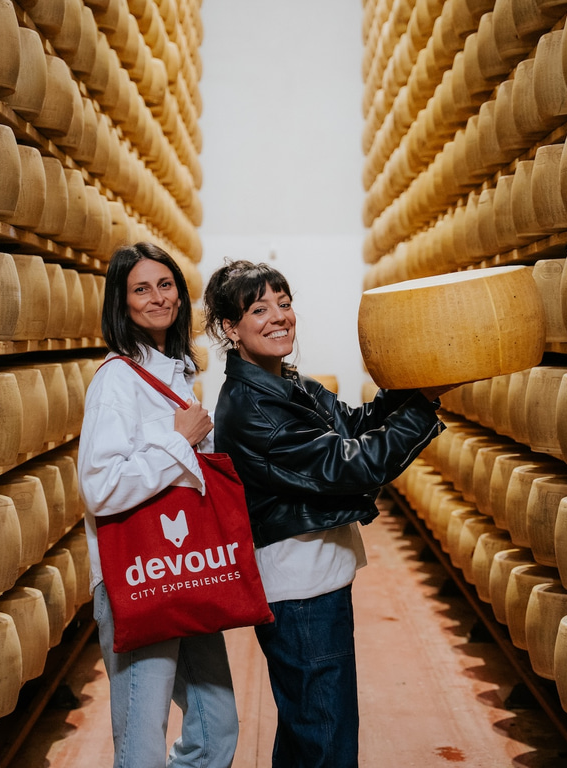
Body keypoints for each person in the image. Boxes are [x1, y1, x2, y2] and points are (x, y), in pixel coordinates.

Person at [203, 259, 447, 768]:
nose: (279, 317)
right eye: (259, 308)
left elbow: (353, 425)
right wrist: (423, 408)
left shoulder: (285, 383)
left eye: (284, 304)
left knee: (307, 732)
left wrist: (414, 382)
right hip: (300, 592)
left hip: (311, 583)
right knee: (325, 740)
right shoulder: (254, 408)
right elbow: (351, 466)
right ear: (231, 328)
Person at [77, 242, 237, 768]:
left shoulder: (174, 371)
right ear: (122, 304)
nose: (157, 298)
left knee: (217, 729)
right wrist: (178, 441)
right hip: (137, 579)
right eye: (140, 289)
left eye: (165, 285)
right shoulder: (117, 380)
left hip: (185, 571)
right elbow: (100, 486)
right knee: (141, 747)